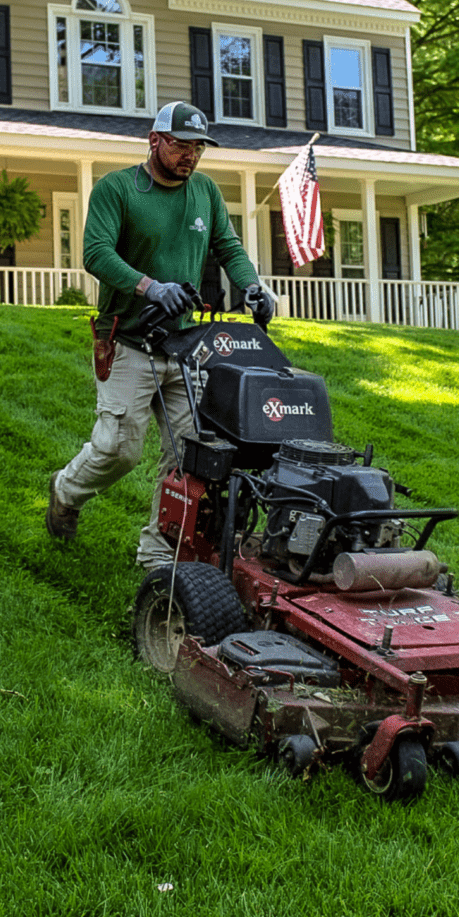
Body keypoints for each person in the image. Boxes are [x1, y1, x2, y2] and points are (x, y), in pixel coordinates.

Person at [46, 101, 274, 570]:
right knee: (118, 449)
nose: (190, 156)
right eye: (181, 145)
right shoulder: (117, 189)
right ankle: (66, 490)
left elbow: (227, 246)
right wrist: (151, 287)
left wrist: (253, 286)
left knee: (188, 458)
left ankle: (157, 555)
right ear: (155, 141)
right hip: (128, 339)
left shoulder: (205, 193)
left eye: (197, 148)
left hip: (186, 346)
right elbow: (95, 254)